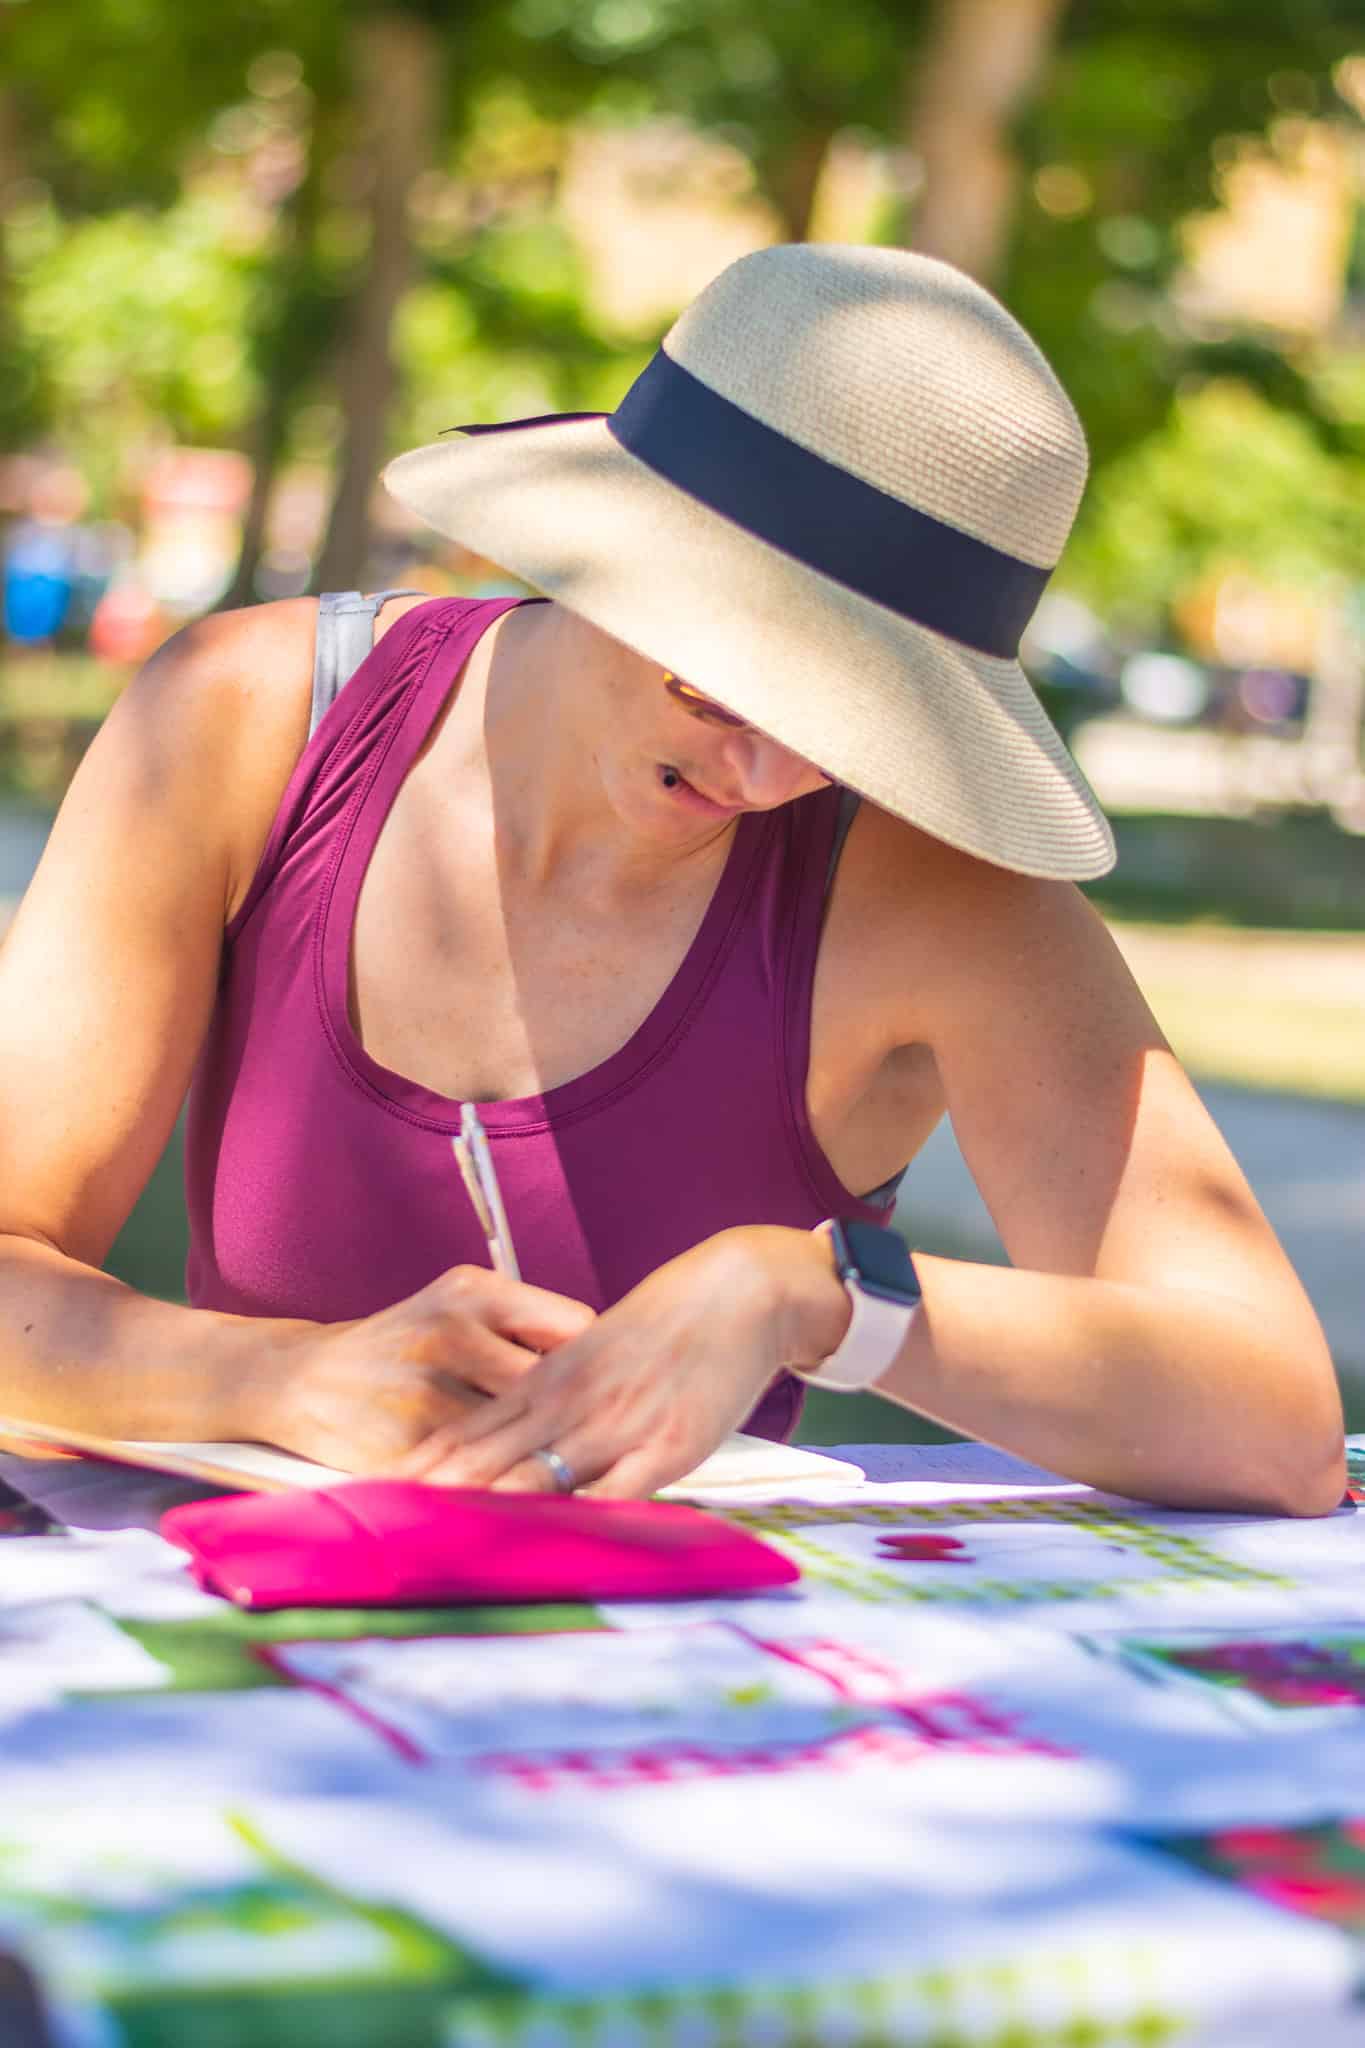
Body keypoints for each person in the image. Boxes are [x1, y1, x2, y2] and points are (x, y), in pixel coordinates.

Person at [0, 245, 1344, 1515]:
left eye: (848, 724)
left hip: (682, 1695)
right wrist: (275, 1380)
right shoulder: (246, 722)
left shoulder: (936, 897)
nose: (762, 772)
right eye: (725, 679)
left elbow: (1271, 1422)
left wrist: (821, 1295)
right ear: (605, 547)